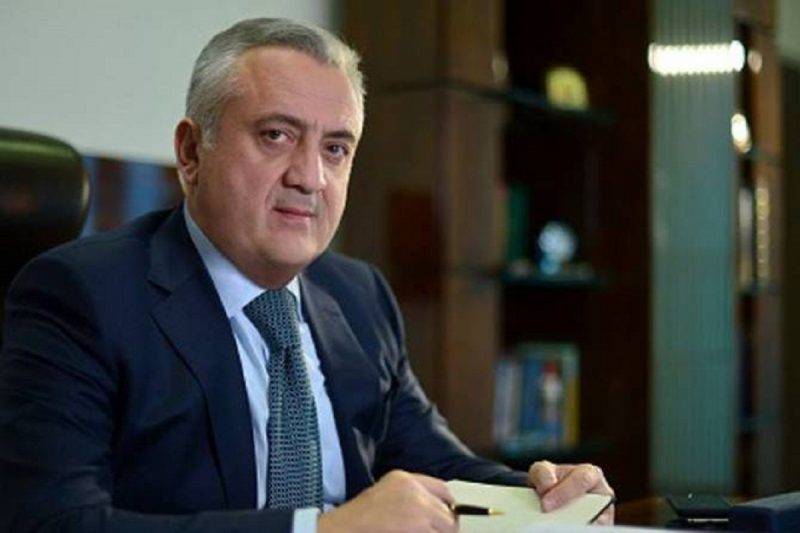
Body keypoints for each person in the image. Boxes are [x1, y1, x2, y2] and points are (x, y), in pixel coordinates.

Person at [0, 18, 614, 532]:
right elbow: (50, 521)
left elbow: (439, 467)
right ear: (191, 153)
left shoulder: (360, 296)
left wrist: (546, 494)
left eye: (336, 149)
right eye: (276, 136)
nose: (310, 177)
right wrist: (319, 531)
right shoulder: (81, 296)